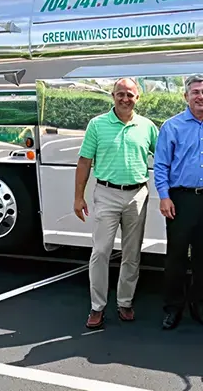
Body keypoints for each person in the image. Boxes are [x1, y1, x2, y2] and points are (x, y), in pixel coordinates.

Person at [73, 77, 159, 330]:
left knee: (132, 253)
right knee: (101, 251)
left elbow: (164, 157)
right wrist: (78, 197)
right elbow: (84, 162)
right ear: (113, 96)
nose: (125, 99)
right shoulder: (97, 125)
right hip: (106, 193)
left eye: (130, 94)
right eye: (120, 94)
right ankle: (97, 307)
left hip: (137, 195)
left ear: (137, 98)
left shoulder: (147, 127)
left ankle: (125, 302)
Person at [153, 75, 203, 330]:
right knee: (176, 257)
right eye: (195, 92)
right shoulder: (171, 126)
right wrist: (164, 196)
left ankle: (200, 305)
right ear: (186, 96)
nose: (200, 96)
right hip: (180, 199)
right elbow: (161, 165)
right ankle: (173, 308)